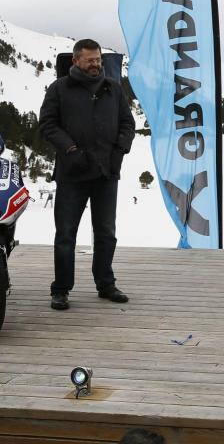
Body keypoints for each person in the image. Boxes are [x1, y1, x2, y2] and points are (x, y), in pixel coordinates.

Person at [39, 39, 135, 311]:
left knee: (106, 233)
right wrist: (70, 149)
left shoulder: (113, 89)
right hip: (72, 174)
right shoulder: (59, 89)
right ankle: (61, 290)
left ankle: (106, 284)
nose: (96, 64)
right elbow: (47, 124)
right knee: (66, 234)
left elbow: (128, 123)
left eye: (98, 60)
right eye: (90, 60)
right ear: (76, 61)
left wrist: (120, 150)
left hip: (106, 173)